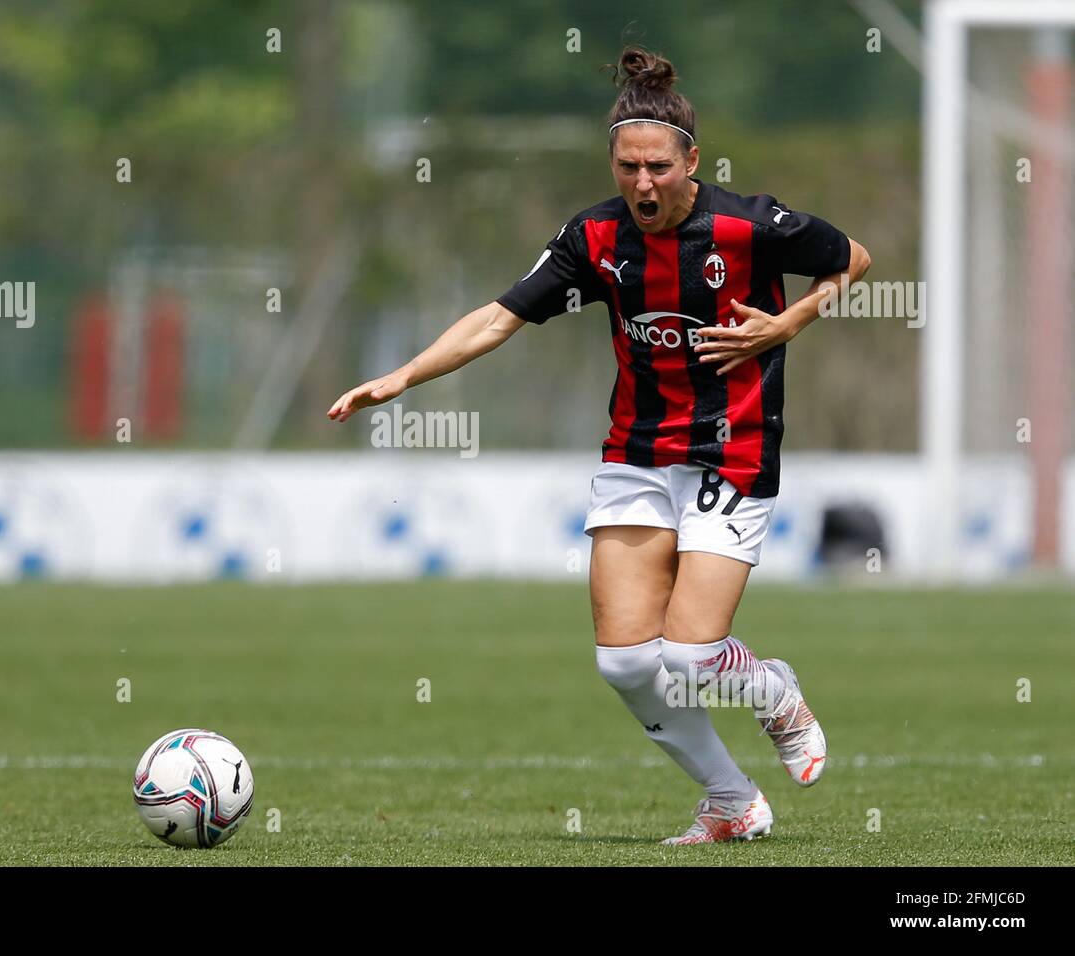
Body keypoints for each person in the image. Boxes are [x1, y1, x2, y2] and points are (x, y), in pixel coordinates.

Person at [327, 46, 871, 844]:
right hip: (637, 454)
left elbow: (852, 259)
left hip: (734, 452)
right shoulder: (594, 237)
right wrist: (402, 377)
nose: (643, 184)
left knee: (689, 659)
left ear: (692, 160)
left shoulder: (751, 225)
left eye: (657, 166)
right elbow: (499, 316)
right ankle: (730, 802)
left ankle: (775, 694)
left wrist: (789, 322)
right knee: (623, 663)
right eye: (627, 167)